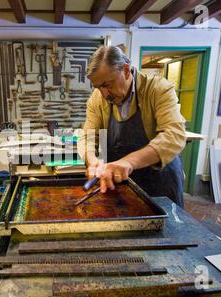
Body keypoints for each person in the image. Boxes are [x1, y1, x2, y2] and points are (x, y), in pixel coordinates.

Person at [78, 46, 187, 207]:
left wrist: (128, 162)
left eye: (107, 84)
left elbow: (174, 136)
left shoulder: (158, 90)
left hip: (161, 183)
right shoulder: (97, 99)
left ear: (126, 70)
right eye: (98, 87)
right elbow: (88, 136)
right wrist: (92, 160)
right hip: (122, 184)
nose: (104, 94)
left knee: (167, 230)